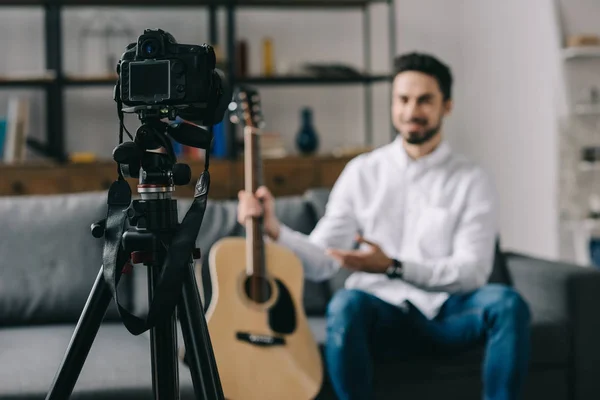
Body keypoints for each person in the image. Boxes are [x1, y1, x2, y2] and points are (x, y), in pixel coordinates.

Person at [237, 52, 531, 400]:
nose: (411, 112)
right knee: (345, 304)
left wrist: (393, 266)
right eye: (402, 100)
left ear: (446, 106)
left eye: (424, 100)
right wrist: (274, 229)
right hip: (382, 314)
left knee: (508, 304)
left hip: (449, 313)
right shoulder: (363, 171)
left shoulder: (472, 180)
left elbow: (473, 273)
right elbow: (321, 260)